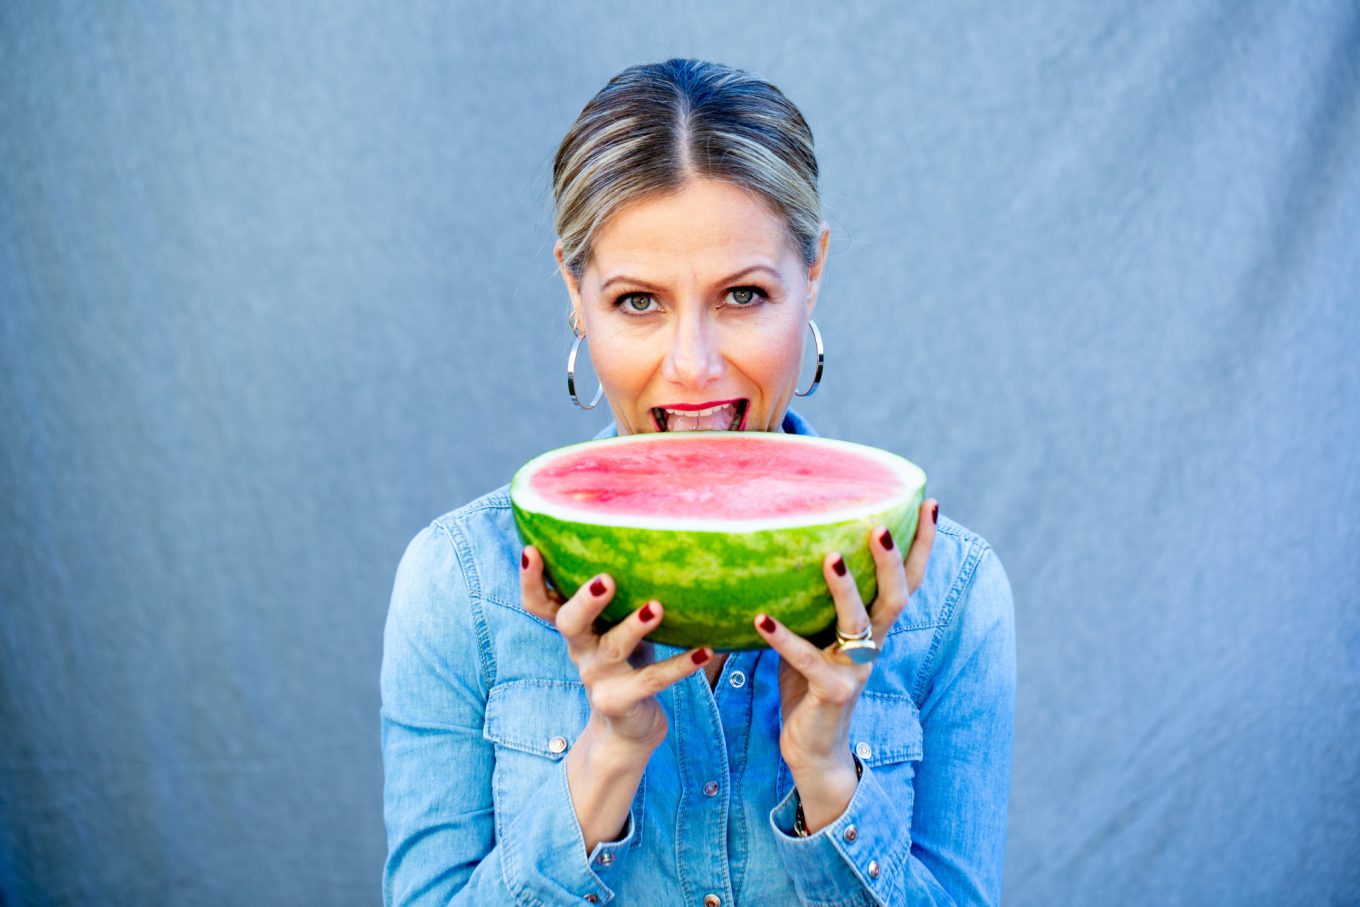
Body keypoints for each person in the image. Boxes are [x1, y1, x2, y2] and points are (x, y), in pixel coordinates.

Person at [381, 58, 1016, 906]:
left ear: (813, 271)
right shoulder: (460, 581)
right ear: (576, 295)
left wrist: (828, 777)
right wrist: (606, 758)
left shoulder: (953, 595)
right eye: (638, 301)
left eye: (744, 295)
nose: (693, 366)